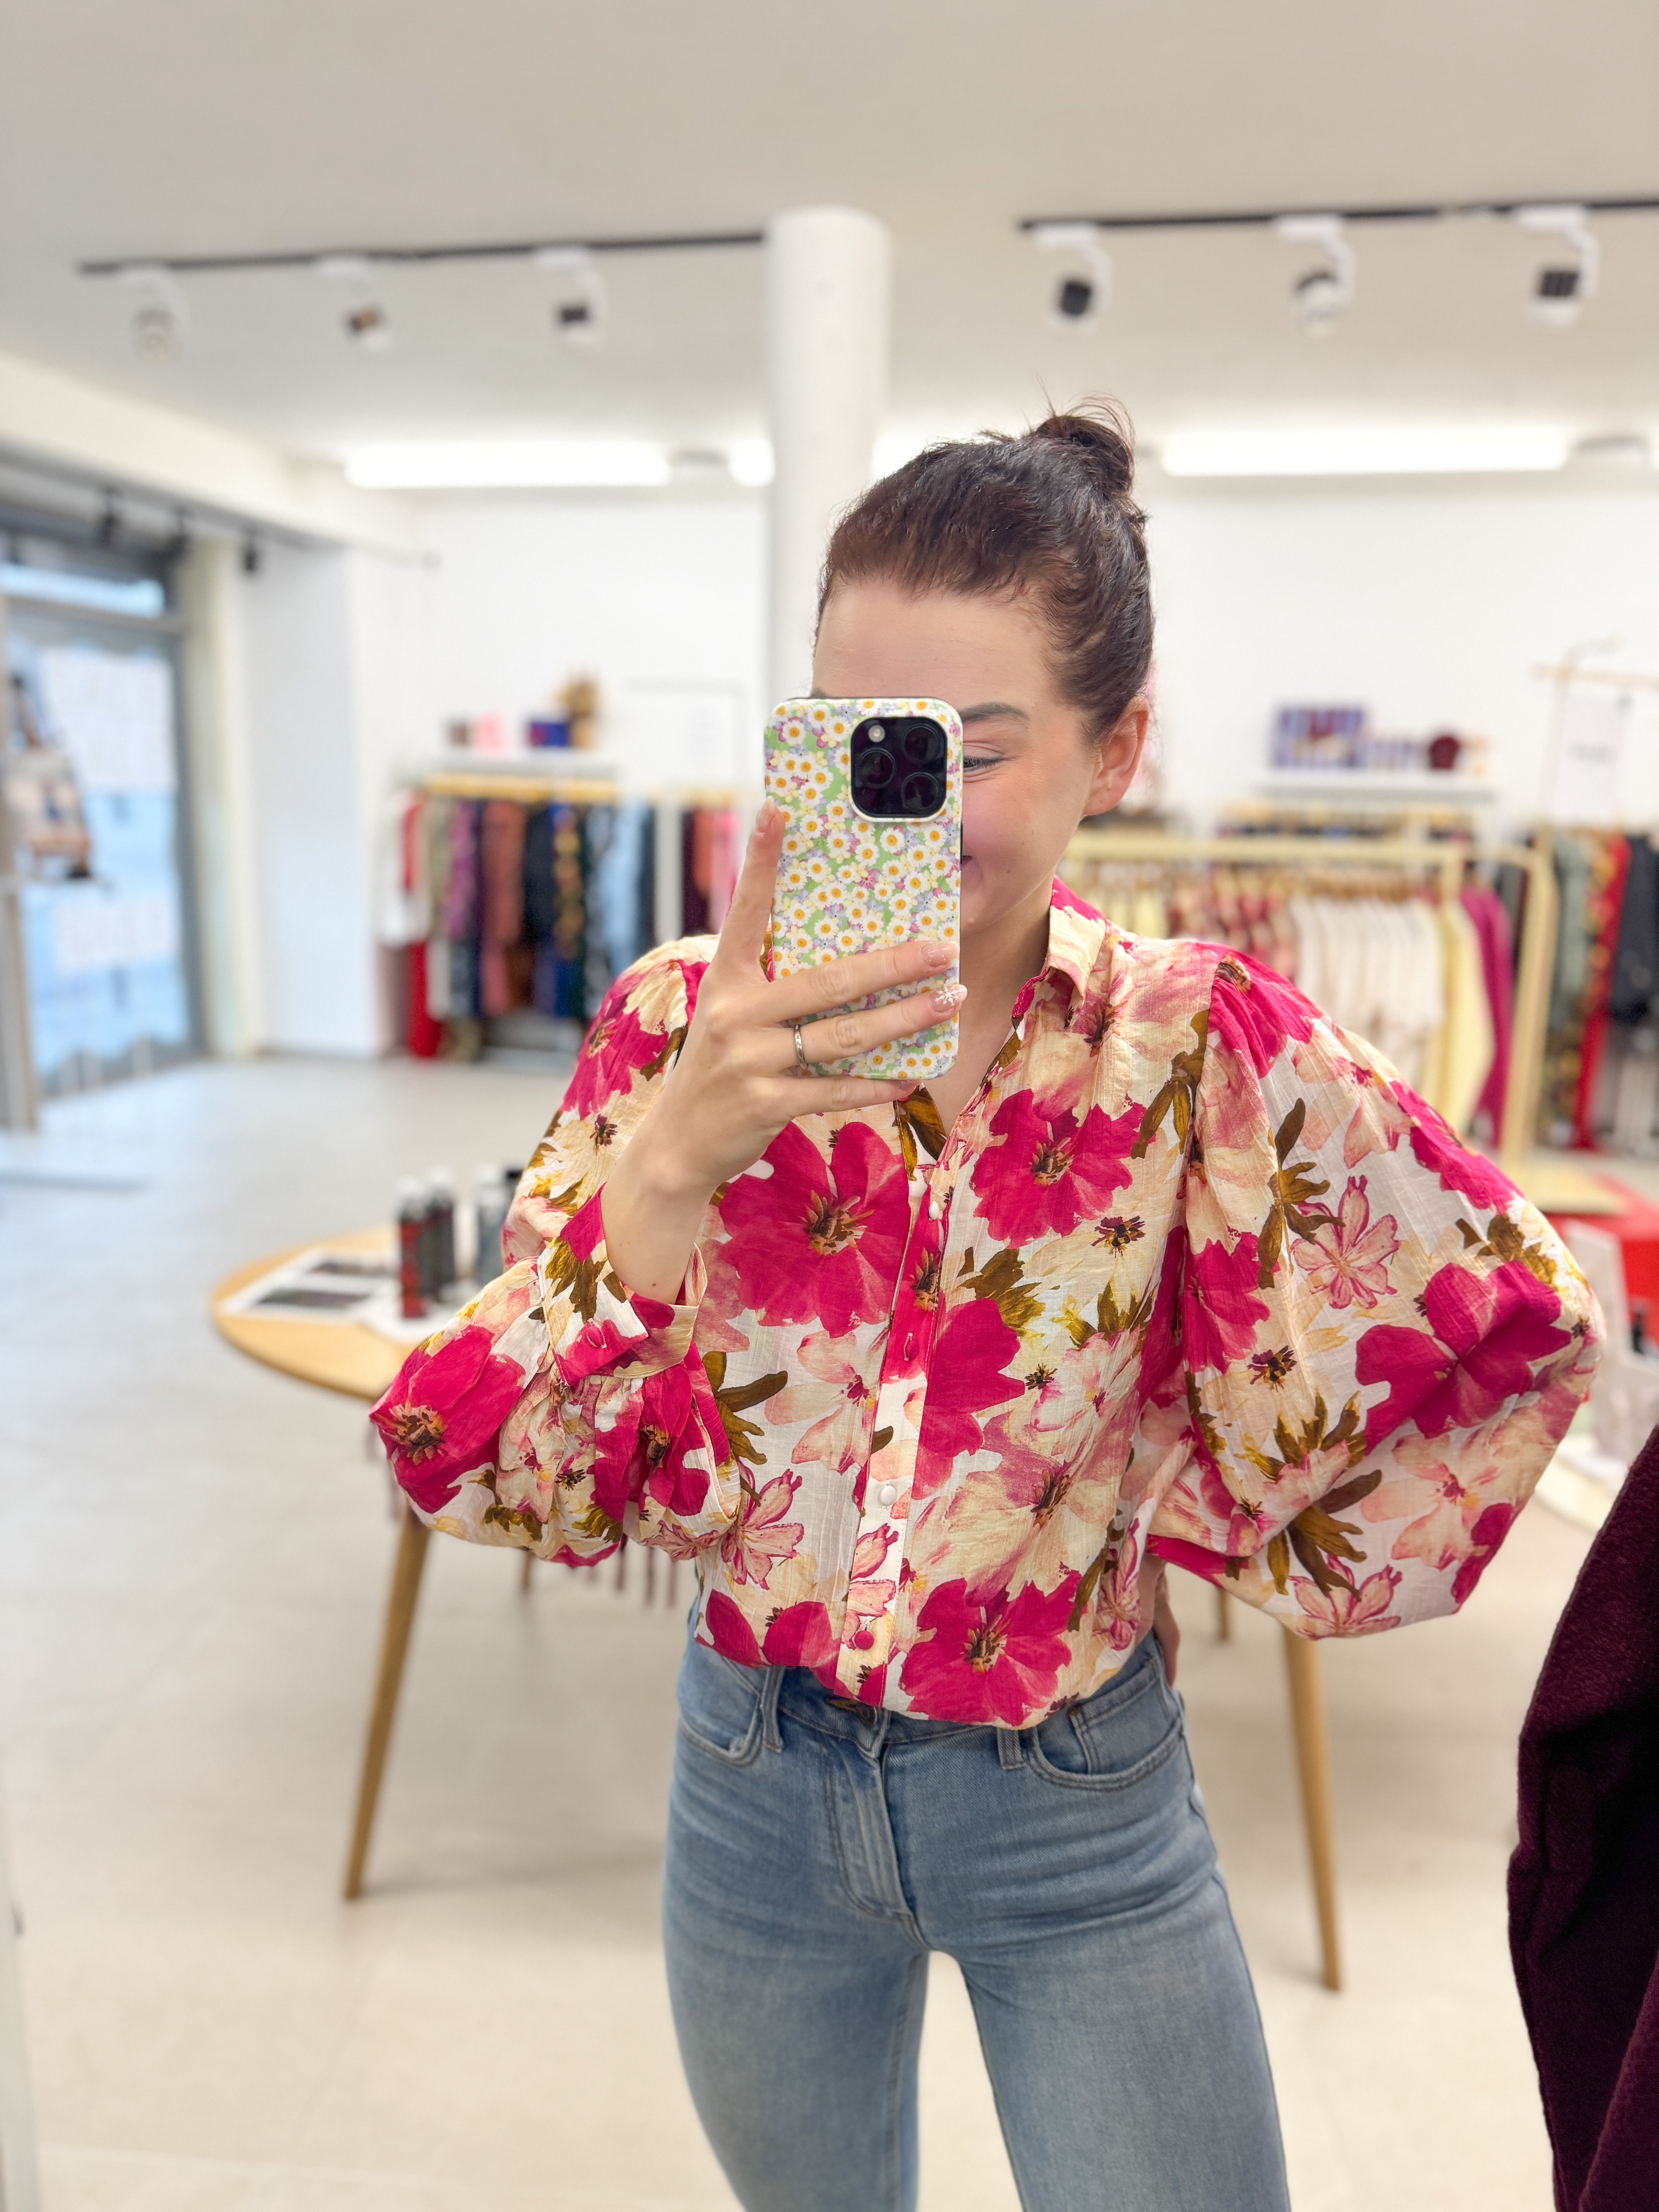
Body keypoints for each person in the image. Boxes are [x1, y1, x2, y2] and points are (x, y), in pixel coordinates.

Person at [373, 404, 1600, 2212]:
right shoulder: (667, 1025)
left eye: (979, 749)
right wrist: (667, 1166)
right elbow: (478, 1467)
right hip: (749, 1772)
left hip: (1073, 1791)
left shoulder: (1198, 1043)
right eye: (862, 742)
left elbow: (1511, 1321)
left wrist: (1192, 1497)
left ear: (1119, 752)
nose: (908, 803)